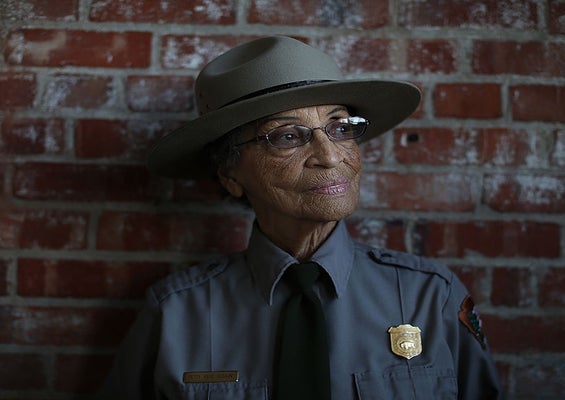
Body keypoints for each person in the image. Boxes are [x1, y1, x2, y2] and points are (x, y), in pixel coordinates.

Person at [98, 36, 503, 399]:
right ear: (230, 174)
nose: (329, 156)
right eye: (288, 136)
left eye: (340, 128)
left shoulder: (429, 297)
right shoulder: (176, 313)